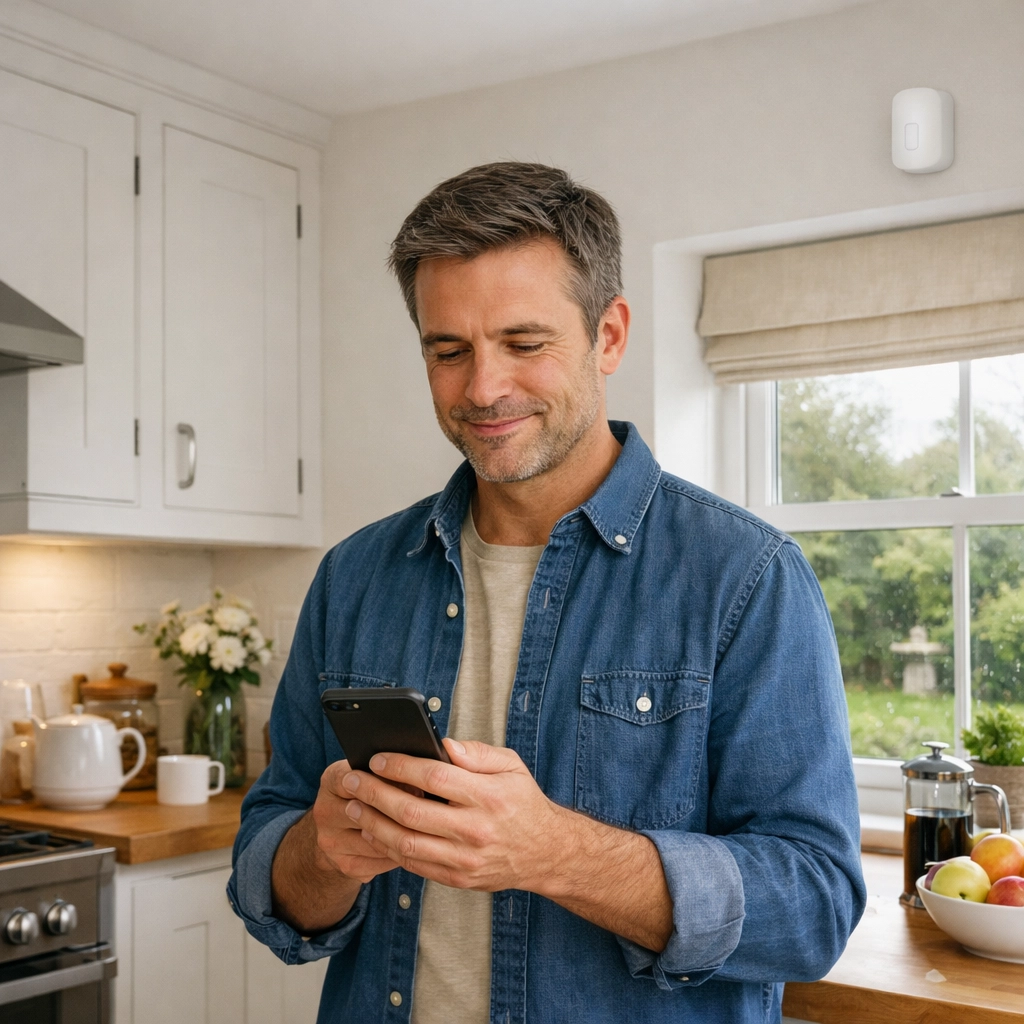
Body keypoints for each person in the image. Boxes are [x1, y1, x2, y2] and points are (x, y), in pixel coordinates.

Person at [228, 161, 866, 1024]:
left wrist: (554, 853)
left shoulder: (747, 578)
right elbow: (269, 867)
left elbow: (815, 906)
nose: (483, 388)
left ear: (609, 336)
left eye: (524, 344)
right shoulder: (355, 576)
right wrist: (322, 852)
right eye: (448, 351)